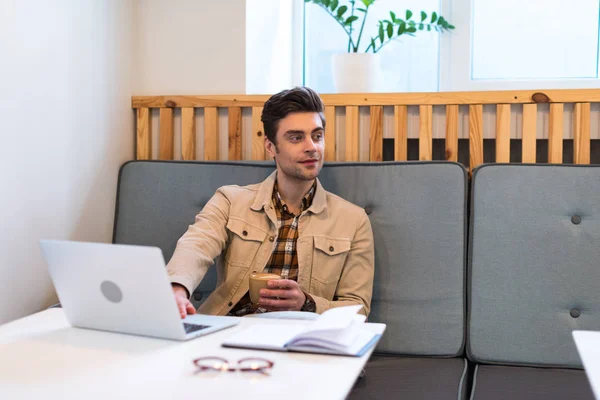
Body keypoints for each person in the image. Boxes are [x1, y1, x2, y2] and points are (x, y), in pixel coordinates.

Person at [167, 86, 374, 318]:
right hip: (231, 329)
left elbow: (358, 309)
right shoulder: (230, 200)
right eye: (296, 138)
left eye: (317, 136)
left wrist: (306, 303)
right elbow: (196, 246)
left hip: (303, 339)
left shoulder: (354, 220)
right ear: (270, 147)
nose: (311, 147)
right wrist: (177, 289)